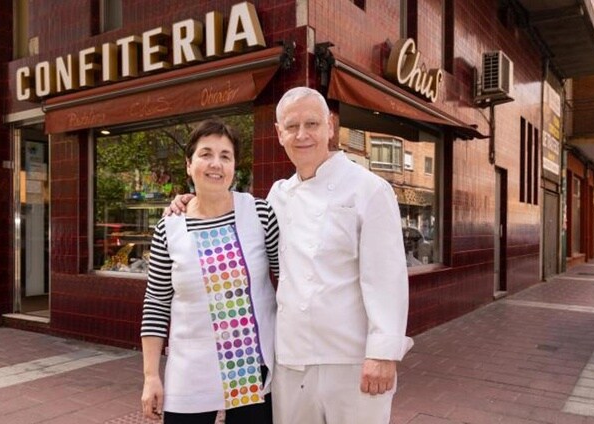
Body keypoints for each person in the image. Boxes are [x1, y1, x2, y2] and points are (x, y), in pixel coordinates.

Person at [169, 87, 413, 423]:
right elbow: (230, 216)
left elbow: (386, 278)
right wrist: (188, 204)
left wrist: (383, 354)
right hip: (291, 361)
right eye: (292, 126)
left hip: (352, 359)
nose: (302, 135)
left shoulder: (369, 189)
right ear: (279, 133)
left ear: (330, 126)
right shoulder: (277, 196)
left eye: (312, 124)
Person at [140, 119, 279, 424]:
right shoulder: (169, 227)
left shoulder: (259, 213)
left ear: (234, 166)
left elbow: (288, 283)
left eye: (225, 156)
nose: (215, 164)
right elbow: (156, 303)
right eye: (206, 154)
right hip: (190, 370)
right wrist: (151, 376)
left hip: (249, 370)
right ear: (189, 165)